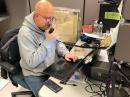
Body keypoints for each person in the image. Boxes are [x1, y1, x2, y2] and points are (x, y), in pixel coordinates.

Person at [18, 0, 78, 97]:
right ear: (37, 16)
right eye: (47, 18)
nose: (50, 21)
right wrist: (48, 41)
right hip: (35, 74)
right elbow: (32, 62)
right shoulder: (25, 33)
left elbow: (57, 42)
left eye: (52, 18)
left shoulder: (46, 24)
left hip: (50, 68)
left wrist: (65, 53)